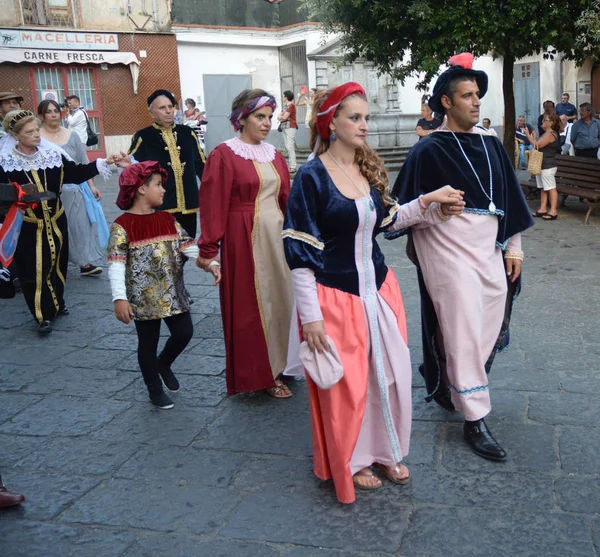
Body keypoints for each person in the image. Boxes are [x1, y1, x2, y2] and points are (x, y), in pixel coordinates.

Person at [283, 82, 465, 504]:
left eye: (367, 117)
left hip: (379, 291)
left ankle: (386, 451)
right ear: (330, 122)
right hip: (335, 297)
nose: (365, 125)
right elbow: (299, 252)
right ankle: (356, 458)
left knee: (392, 376)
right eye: (355, 117)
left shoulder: (366, 167)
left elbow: (387, 222)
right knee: (350, 386)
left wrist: (431, 204)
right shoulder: (311, 176)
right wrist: (310, 317)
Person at [391, 53, 534, 462]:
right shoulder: (428, 150)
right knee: (464, 327)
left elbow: (509, 202)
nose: (476, 102)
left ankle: (443, 374)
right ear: (446, 102)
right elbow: (395, 216)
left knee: (483, 323)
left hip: (488, 253)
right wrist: (432, 206)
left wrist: (516, 247)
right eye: (467, 95)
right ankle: (475, 417)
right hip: (446, 254)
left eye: (478, 95)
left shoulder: (491, 145)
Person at [198, 89, 294, 398]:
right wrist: (209, 249)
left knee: (282, 300)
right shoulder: (224, 155)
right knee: (255, 304)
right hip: (245, 238)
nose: (267, 123)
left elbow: (286, 199)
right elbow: (213, 204)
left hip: (277, 236)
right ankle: (263, 373)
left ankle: (283, 362)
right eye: (259, 117)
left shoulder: (275, 154)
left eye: (269, 117)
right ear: (242, 118)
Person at [0, 110, 126, 334]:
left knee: (57, 263)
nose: (37, 135)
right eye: (30, 132)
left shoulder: (51, 156)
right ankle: (42, 315)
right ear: (16, 136)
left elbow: (76, 173)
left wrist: (104, 161)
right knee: (34, 270)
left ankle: (57, 303)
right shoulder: (5, 163)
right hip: (27, 224)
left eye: (37, 130)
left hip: (56, 218)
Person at [107, 161, 201, 409]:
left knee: (184, 333)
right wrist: (120, 298)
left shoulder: (168, 219)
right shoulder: (122, 226)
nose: (163, 190)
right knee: (147, 343)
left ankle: (164, 363)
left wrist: (211, 262)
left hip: (173, 293)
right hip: (142, 298)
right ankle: (154, 390)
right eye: (158, 185)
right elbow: (116, 264)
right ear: (140, 188)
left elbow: (188, 246)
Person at [38, 99, 106, 277]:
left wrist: (92, 186)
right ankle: (57, 263)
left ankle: (85, 263)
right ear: (41, 116)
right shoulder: (37, 137)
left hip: (74, 189)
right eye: (49, 111)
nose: (54, 114)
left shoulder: (72, 135)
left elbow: (83, 162)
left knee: (80, 225)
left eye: (56, 110)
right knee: (55, 229)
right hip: (50, 192)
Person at [128, 89, 205, 238]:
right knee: (164, 249)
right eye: (162, 108)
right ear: (152, 113)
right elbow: (133, 168)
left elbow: (201, 164)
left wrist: (213, 189)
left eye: (171, 107)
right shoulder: (143, 136)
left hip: (188, 204)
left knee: (186, 248)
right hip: (160, 205)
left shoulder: (188, 133)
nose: (168, 111)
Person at [531, 113, 561, 220]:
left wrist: (528, 136)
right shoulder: (546, 133)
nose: (543, 122)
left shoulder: (550, 134)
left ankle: (553, 211)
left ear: (551, 123)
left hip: (548, 165)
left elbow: (537, 145)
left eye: (545, 120)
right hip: (542, 164)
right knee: (544, 188)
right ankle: (542, 208)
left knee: (551, 188)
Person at [278, 90, 297, 173]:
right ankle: (291, 166)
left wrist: (281, 116)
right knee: (287, 146)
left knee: (290, 146)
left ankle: (293, 166)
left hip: (290, 127)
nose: (283, 97)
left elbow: (284, 117)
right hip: (284, 127)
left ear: (286, 97)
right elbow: (279, 115)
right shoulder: (285, 106)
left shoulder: (291, 106)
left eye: (284, 96)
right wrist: (280, 116)